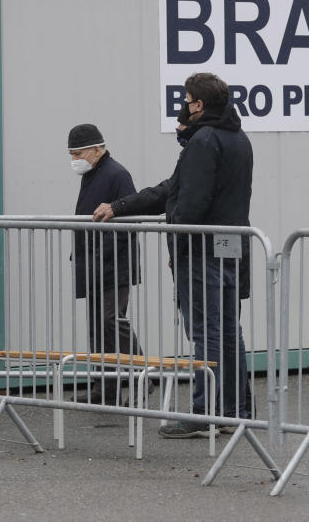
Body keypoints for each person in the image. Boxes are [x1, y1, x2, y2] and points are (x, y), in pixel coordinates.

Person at [95, 73, 253, 438]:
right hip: (230, 247)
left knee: (206, 332)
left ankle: (205, 412)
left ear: (198, 104)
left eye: (186, 99)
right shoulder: (236, 137)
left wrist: (177, 239)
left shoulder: (205, 140)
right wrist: (120, 207)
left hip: (201, 251)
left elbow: (189, 201)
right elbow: (173, 190)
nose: (184, 105)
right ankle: (234, 411)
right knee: (228, 330)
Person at [67, 123, 142, 404]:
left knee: (112, 319)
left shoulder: (116, 174)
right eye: (71, 153)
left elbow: (130, 217)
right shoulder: (95, 173)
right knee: (98, 325)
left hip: (113, 263)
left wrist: (104, 253)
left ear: (97, 149)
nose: (75, 160)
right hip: (94, 262)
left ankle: (142, 377)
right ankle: (105, 388)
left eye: (79, 153)